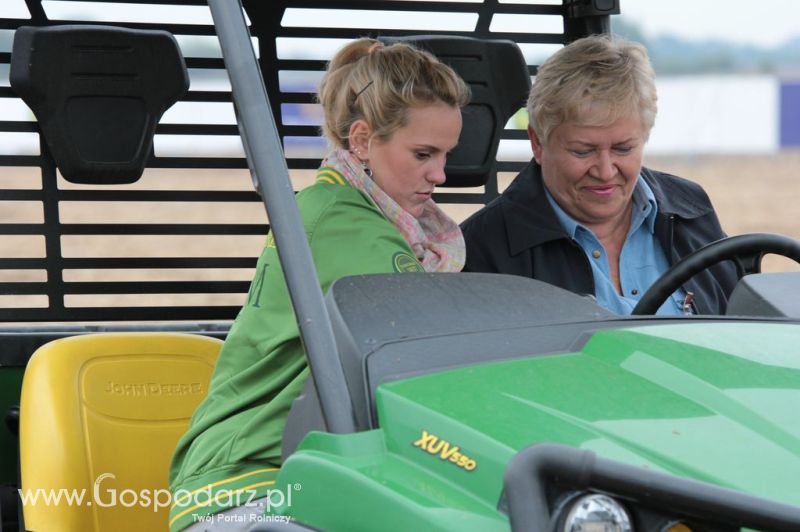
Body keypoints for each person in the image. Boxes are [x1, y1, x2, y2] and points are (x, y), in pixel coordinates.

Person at [168, 39, 469, 531]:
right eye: (423, 154)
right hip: (253, 480)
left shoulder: (341, 208)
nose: (439, 174)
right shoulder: (347, 224)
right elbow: (424, 352)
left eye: (445, 155)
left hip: (312, 464)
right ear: (362, 140)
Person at [460, 34, 737, 315]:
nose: (605, 172)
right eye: (583, 151)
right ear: (538, 143)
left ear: (645, 136)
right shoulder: (484, 249)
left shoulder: (692, 209)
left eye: (623, 148)